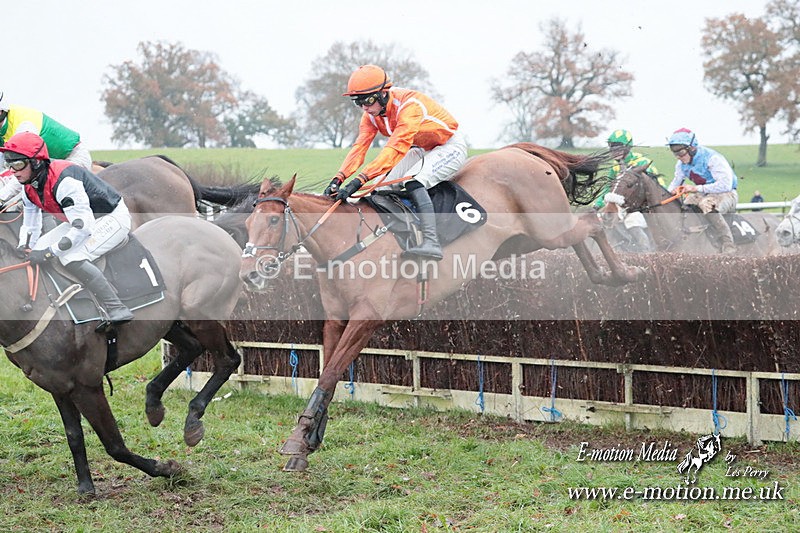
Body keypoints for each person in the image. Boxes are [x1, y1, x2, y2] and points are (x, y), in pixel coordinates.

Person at [323, 65, 468, 260]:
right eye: (358, 102)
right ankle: (400, 235)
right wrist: (338, 179)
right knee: (379, 188)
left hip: (448, 146)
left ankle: (431, 241)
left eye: (368, 100)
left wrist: (359, 180)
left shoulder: (409, 107)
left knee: (413, 181)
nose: (364, 107)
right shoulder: (371, 116)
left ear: (383, 94)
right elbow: (359, 148)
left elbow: (394, 149)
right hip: (421, 148)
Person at [0, 131, 134, 325]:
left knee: (70, 256)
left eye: (18, 164)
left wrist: (50, 252)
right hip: (80, 220)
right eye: (9, 165)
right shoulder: (28, 187)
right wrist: (25, 247)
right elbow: (31, 225)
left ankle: (116, 307)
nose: (13, 171)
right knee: (37, 249)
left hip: (111, 217)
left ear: (36, 162)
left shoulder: (65, 182)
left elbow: (83, 228)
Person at [0, 92, 92, 208]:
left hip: (72, 159)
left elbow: (25, 170)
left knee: (24, 200)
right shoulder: (3, 127)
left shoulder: (24, 125)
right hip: (46, 165)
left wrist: (1, 197)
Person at [666, 128, 738, 254]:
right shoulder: (681, 165)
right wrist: (667, 195)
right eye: (675, 153)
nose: (678, 157)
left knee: (706, 204)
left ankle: (728, 244)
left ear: (692, 148)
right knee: (685, 205)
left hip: (727, 193)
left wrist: (695, 188)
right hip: (703, 193)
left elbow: (725, 185)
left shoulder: (712, 158)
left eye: (681, 153)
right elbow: (675, 184)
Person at [595, 129, 662, 252]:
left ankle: (646, 252)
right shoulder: (615, 167)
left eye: (618, 149)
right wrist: (597, 204)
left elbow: (656, 186)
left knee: (632, 220)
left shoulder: (641, 162)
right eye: (612, 149)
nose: (615, 152)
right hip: (625, 205)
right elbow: (608, 188)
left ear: (628, 148)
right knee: (601, 219)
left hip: (644, 206)